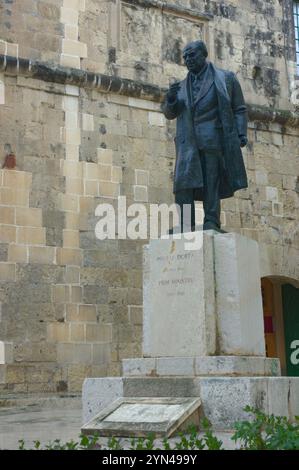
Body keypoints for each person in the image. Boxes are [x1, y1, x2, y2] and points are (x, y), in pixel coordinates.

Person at [162, 40, 248, 232]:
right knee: (183, 185)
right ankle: (186, 225)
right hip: (188, 143)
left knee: (211, 183)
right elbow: (170, 113)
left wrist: (241, 133)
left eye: (191, 55)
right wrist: (170, 99)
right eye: (185, 57)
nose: (187, 60)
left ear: (203, 54)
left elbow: (240, 109)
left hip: (213, 140)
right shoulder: (181, 86)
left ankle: (212, 221)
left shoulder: (226, 78)